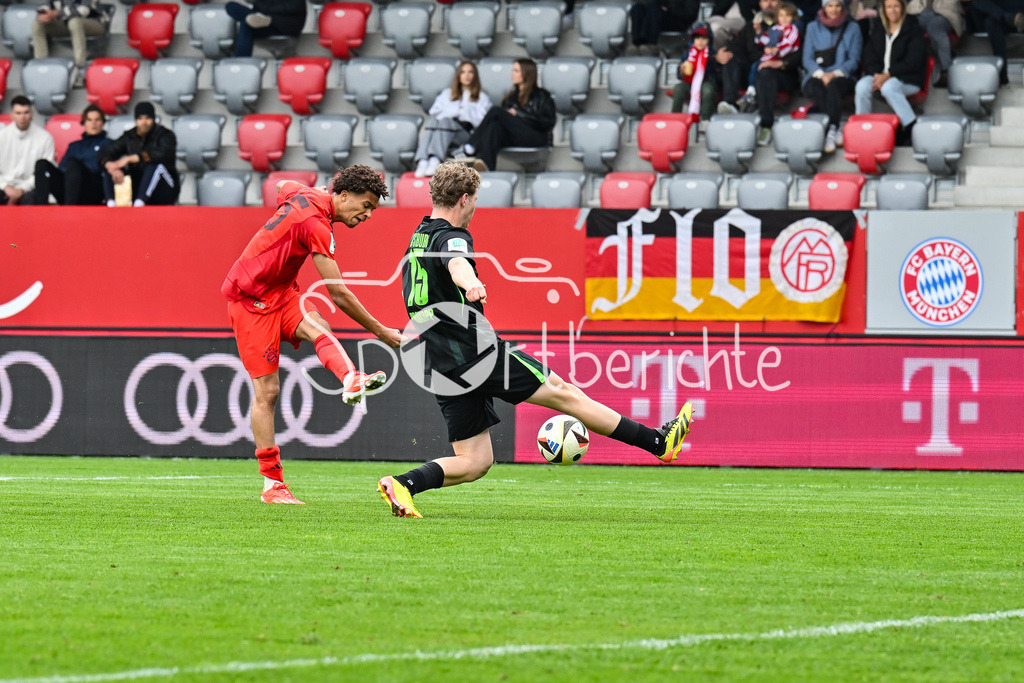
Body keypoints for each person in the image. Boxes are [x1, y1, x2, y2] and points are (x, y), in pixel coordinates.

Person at [376, 162, 694, 519]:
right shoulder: (453, 236)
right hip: (475, 352)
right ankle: (658, 442)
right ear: (464, 199)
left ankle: (404, 484)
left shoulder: (418, 236)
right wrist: (470, 283)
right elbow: (457, 262)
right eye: (476, 200)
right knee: (566, 394)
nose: (476, 208)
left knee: (475, 461)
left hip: (442, 364)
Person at [222, 166, 404, 505]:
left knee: (319, 325)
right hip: (250, 301)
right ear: (344, 195)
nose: (366, 215)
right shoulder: (317, 226)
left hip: (282, 292)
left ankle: (350, 378)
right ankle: (272, 485)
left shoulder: (303, 195)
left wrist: (320, 192)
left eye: (372, 210)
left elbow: (281, 185)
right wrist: (379, 330)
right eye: (364, 205)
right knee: (268, 392)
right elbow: (339, 294)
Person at [452, 58, 556, 173]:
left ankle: (470, 146)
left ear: (526, 73)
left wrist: (519, 114)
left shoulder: (542, 95)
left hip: (536, 137)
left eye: (516, 71)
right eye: (513, 70)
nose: (512, 74)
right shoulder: (511, 98)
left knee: (496, 111)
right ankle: (487, 166)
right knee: (494, 126)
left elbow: (548, 122)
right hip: (516, 137)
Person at [855, 0, 928, 144]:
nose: (892, 10)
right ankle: (861, 127)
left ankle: (910, 127)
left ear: (902, 8)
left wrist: (888, 75)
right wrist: (876, 75)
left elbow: (914, 61)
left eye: (896, 6)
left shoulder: (913, 28)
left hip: (907, 78)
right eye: (889, 7)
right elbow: (869, 55)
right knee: (862, 86)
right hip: (880, 76)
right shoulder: (878, 28)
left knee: (889, 87)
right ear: (884, 9)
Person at [802, 0, 863, 153]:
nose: (834, 9)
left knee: (834, 86)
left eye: (837, 5)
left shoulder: (853, 28)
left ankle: (831, 129)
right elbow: (807, 59)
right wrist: (822, 74)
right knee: (816, 86)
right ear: (824, 7)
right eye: (830, 5)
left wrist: (834, 74)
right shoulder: (812, 27)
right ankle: (832, 128)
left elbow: (854, 60)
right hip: (816, 74)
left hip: (843, 74)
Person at [414, 61, 492, 178]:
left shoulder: (482, 97)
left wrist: (464, 112)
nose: (466, 76)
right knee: (435, 122)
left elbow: (482, 123)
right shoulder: (447, 94)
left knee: (443, 121)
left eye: (470, 72)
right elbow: (434, 112)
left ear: (475, 76)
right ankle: (424, 161)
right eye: (463, 72)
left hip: (465, 134)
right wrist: (453, 111)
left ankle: (434, 159)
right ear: (458, 75)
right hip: (444, 131)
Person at [99, 101, 179, 206]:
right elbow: (105, 152)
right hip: (139, 184)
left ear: (153, 119)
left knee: (154, 167)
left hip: (165, 187)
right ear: (136, 120)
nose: (144, 122)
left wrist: (131, 158)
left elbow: (163, 153)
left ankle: (139, 204)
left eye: (147, 118)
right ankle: (111, 204)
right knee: (111, 167)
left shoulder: (165, 135)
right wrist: (110, 165)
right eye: (140, 119)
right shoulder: (130, 136)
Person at [31, 104, 110, 205]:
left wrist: (78, 168)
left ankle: (69, 211)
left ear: (103, 123)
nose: (93, 123)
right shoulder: (74, 146)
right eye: (89, 120)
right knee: (42, 164)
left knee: (73, 164)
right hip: (69, 189)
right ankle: (40, 210)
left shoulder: (109, 144)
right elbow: (62, 168)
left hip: (93, 190)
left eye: (97, 120)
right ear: (84, 123)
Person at [714, 0, 781, 114]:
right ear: (759, 4)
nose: (769, 4)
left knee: (765, 70)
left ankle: (764, 118)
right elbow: (736, 46)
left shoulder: (788, 25)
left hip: (775, 72)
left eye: (773, 0)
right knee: (731, 55)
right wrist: (718, 56)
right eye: (765, 1)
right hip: (751, 72)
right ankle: (730, 104)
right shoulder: (751, 25)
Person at [738, 2, 800, 113]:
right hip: (769, 59)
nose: (784, 19)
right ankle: (751, 91)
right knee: (757, 67)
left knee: (765, 72)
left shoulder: (793, 29)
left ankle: (765, 115)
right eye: (781, 16)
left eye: (788, 16)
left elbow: (789, 43)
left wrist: (775, 50)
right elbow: (764, 40)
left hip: (783, 67)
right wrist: (758, 33)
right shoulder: (775, 28)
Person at [0, 96, 55, 206]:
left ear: (32, 114)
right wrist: (5, 186)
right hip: (4, 186)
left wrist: (22, 189)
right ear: (11, 115)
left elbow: (45, 172)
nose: (22, 117)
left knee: (32, 200)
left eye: (26, 112)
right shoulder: (2, 136)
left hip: (31, 188)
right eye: (18, 113)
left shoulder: (45, 138)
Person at [32, 0, 112, 76]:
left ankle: (80, 67)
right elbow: (44, 4)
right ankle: (40, 65)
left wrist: (56, 13)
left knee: (74, 22)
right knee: (38, 25)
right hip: (66, 21)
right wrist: (44, 13)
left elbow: (83, 11)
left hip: (94, 22)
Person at [906, 0, 964, 87]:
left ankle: (946, 71)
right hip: (921, 12)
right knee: (907, 24)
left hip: (946, 13)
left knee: (934, 26)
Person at [966, 0, 1024, 85]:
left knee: (991, 23)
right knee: (978, 4)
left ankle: (1001, 75)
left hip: (1016, 19)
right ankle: (1008, 17)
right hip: (989, 15)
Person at [671, 23, 718, 126]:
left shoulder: (713, 54)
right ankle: (674, 120)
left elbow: (716, 72)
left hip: (706, 82)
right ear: (693, 39)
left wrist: (710, 60)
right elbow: (679, 74)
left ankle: (705, 120)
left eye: (704, 38)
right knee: (678, 89)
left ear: (709, 40)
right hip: (689, 83)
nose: (700, 41)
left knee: (708, 91)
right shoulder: (688, 53)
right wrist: (681, 70)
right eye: (697, 38)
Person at [225, 0, 307, 57]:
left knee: (247, 21)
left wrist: (268, 13)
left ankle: (241, 61)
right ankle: (241, 63)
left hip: (284, 25)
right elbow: (258, 6)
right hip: (263, 21)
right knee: (232, 7)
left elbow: (295, 7)